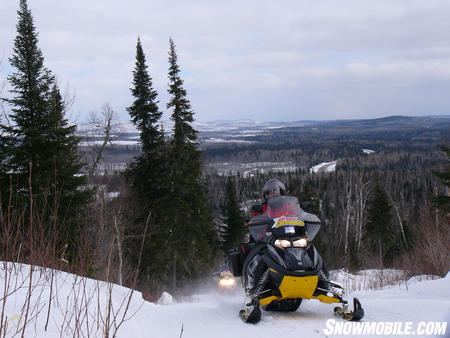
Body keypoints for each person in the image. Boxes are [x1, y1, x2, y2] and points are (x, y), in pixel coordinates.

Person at [240, 179, 286, 322]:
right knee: (259, 256)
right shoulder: (262, 209)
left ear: (281, 193)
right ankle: (253, 290)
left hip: (288, 238)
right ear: (265, 195)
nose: (273, 194)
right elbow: (255, 222)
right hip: (266, 240)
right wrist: (255, 223)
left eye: (275, 191)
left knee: (307, 249)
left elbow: (297, 216)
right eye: (269, 192)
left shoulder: (287, 207)